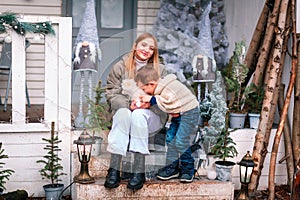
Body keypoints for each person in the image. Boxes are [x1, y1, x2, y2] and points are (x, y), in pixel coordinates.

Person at [104, 32, 168, 190]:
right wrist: (129, 104)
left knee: (138, 115)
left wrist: (148, 103)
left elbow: (167, 96)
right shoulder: (120, 66)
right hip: (125, 116)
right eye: (144, 45)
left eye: (151, 48)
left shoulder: (161, 70)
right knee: (123, 113)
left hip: (150, 117)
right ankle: (114, 169)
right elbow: (111, 93)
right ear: (135, 46)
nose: (147, 50)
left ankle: (138, 171)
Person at [135, 67, 199, 183]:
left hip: (189, 114)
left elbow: (170, 101)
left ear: (151, 84)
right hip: (178, 116)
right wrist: (148, 103)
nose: (145, 92)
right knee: (170, 139)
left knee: (180, 141)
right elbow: (165, 105)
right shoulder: (160, 90)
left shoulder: (169, 86)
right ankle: (172, 167)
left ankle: (188, 169)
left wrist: (152, 98)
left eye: (144, 89)